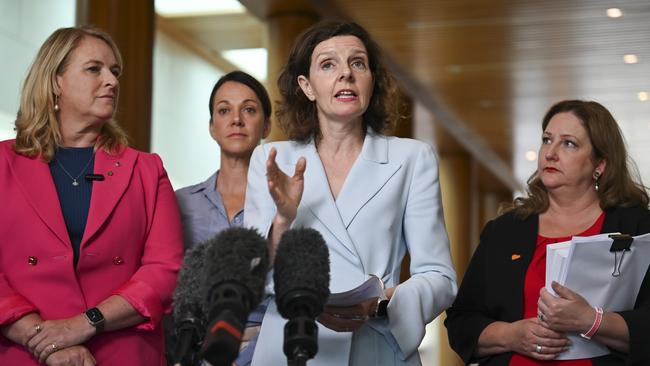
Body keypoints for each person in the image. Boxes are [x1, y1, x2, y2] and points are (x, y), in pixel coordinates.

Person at [243, 21, 457, 365]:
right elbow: (251, 274)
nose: (346, 74)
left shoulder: (412, 158)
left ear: (372, 81)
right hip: (290, 343)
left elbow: (439, 276)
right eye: (328, 65)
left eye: (358, 63)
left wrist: (383, 305)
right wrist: (284, 218)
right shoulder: (272, 159)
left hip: (374, 344)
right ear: (307, 86)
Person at [0, 26, 183, 365]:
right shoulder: (2, 164)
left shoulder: (147, 169)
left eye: (115, 72)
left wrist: (83, 325)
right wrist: (45, 340)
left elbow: (165, 271)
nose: (112, 81)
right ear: (57, 80)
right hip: (24, 352)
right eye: (94, 69)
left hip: (121, 352)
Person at [445, 100, 650, 366]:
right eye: (546, 140)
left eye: (568, 143)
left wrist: (591, 320)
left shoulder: (637, 227)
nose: (550, 153)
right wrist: (511, 335)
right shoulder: (504, 230)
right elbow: (461, 321)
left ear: (600, 164)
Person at [172, 70, 271, 365]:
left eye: (249, 110)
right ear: (212, 127)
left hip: (269, 351)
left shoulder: (284, 204)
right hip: (197, 351)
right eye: (224, 110)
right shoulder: (181, 203)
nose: (236, 119)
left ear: (266, 126)